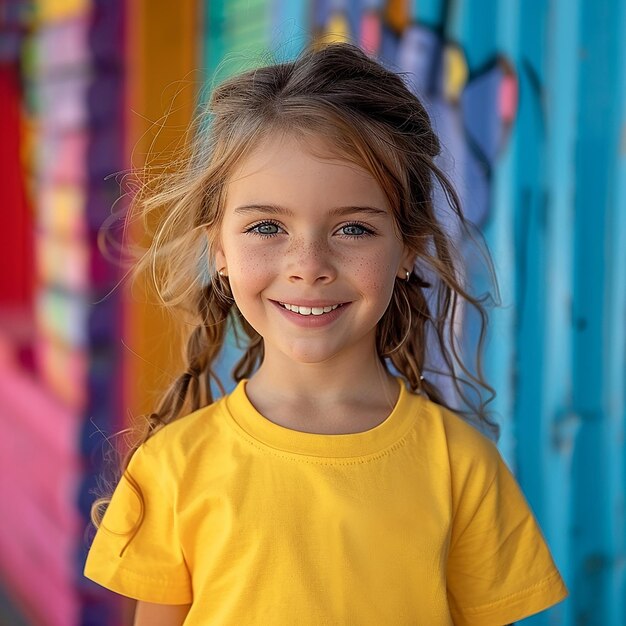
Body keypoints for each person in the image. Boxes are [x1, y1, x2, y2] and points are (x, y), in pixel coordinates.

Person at [84, 42, 568, 625]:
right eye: (267, 226)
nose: (308, 264)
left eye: (354, 229)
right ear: (219, 249)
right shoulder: (172, 468)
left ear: (407, 249)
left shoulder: (461, 466)